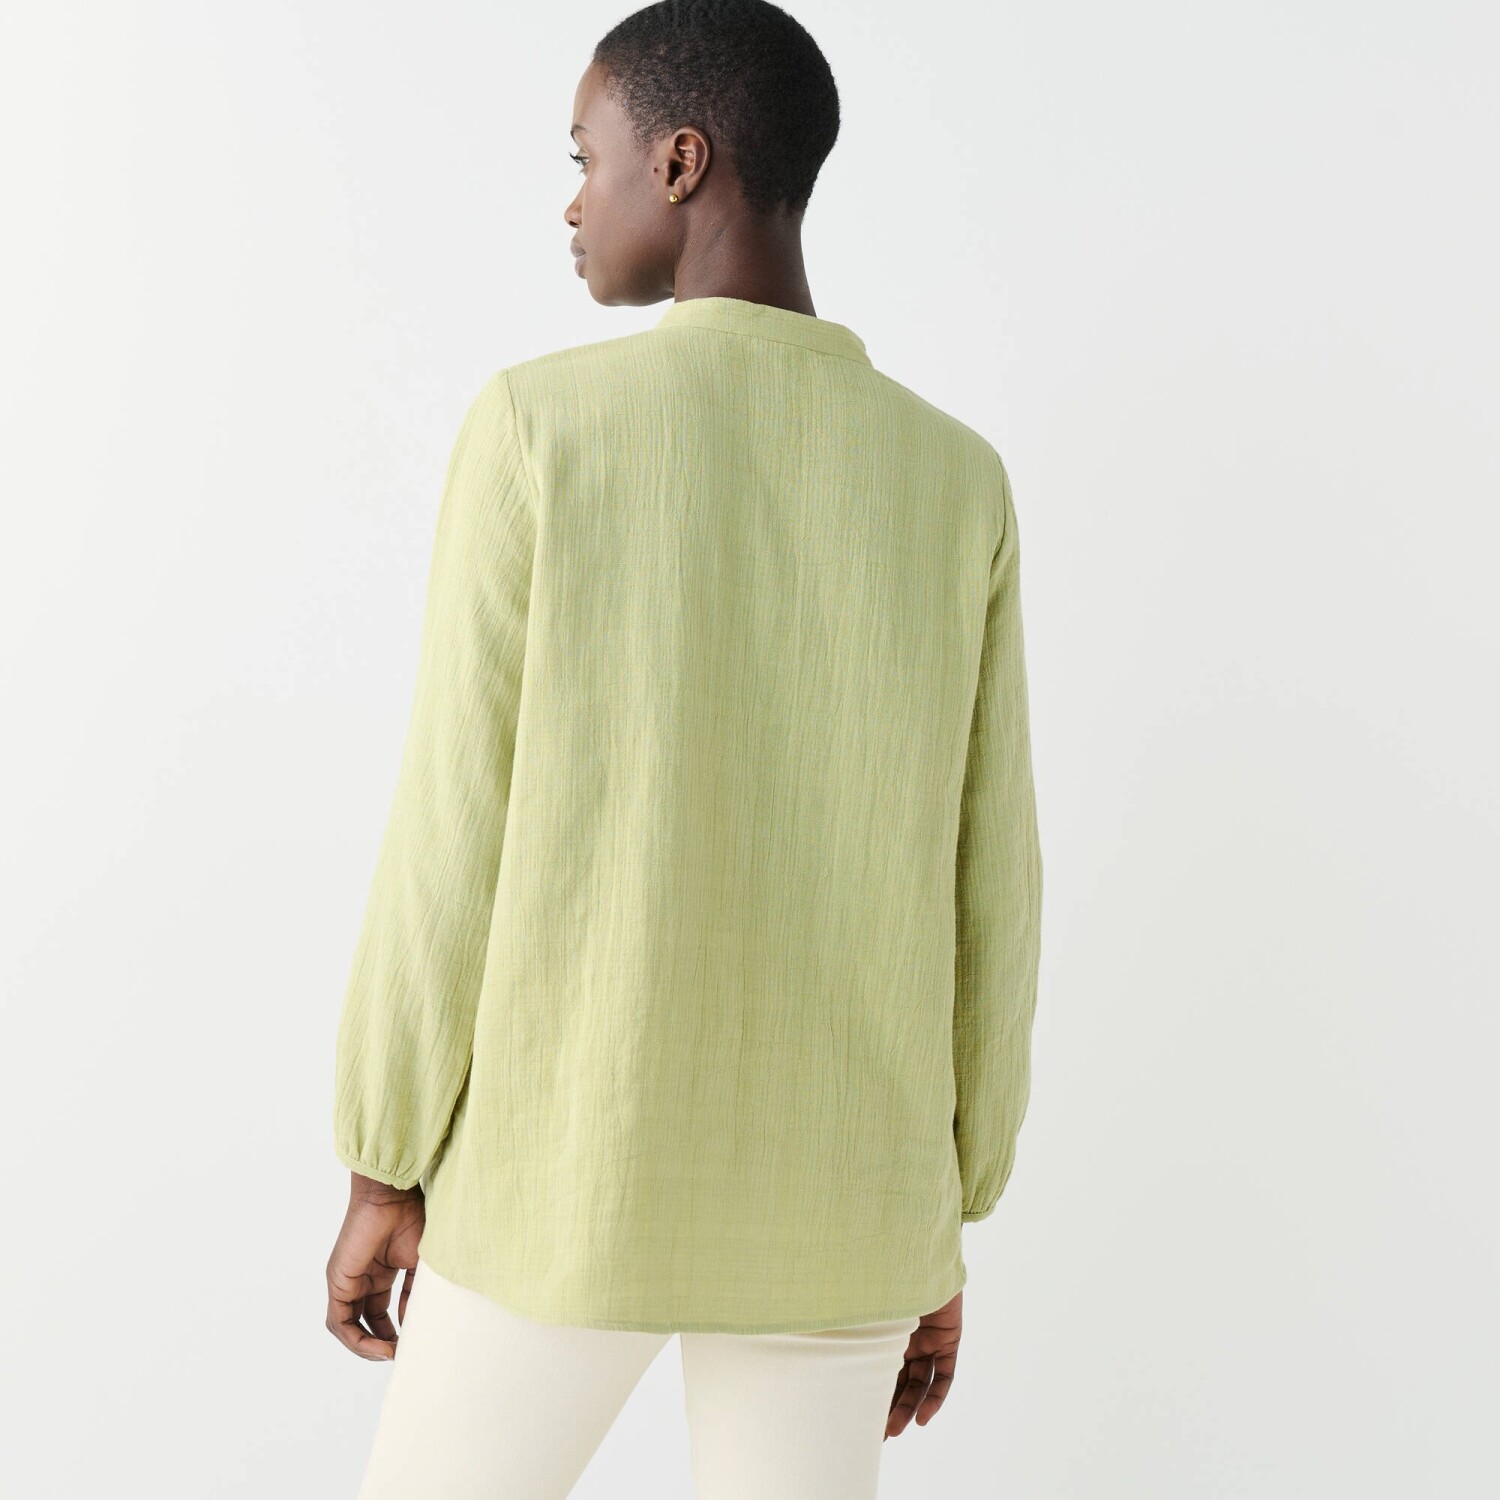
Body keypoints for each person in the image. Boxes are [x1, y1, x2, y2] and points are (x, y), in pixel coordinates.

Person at [325, 3, 1043, 1495]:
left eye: (584, 157)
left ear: (681, 161)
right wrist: (942, 1207)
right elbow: (994, 883)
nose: (571, 201)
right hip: (850, 1199)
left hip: (566, 1170)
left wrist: (385, 1155)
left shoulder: (542, 430)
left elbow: (453, 827)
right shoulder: (954, 479)